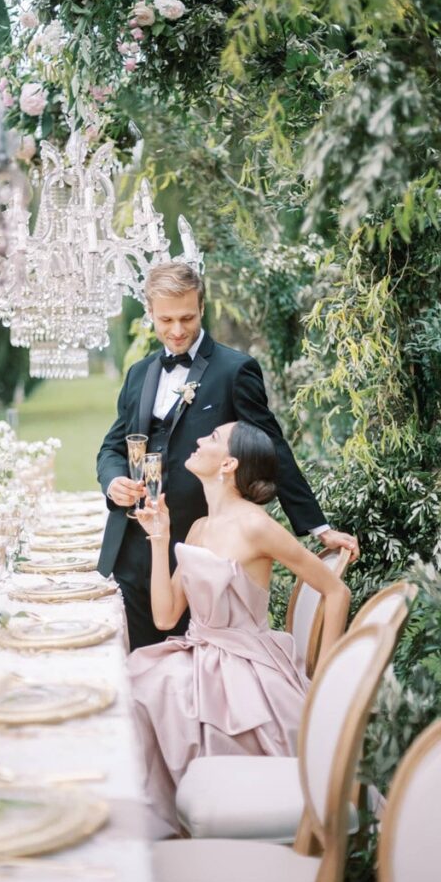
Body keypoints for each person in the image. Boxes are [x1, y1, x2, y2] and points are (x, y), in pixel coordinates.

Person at [96, 260, 359, 650]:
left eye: (187, 317)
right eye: (165, 320)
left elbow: (273, 447)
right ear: (150, 313)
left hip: (204, 554)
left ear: (202, 307)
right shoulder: (139, 374)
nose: (177, 330)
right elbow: (113, 446)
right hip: (134, 551)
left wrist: (318, 528)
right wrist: (113, 479)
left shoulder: (235, 371)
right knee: (134, 668)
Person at [127, 420, 351, 833]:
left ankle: (177, 825)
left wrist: (326, 681)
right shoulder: (198, 528)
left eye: (211, 438)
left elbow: (336, 591)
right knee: (136, 683)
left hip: (245, 669)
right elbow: (164, 617)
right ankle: (154, 829)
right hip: (199, 653)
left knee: (152, 691)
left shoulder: (255, 525)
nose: (198, 440)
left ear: (228, 463)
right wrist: (160, 538)